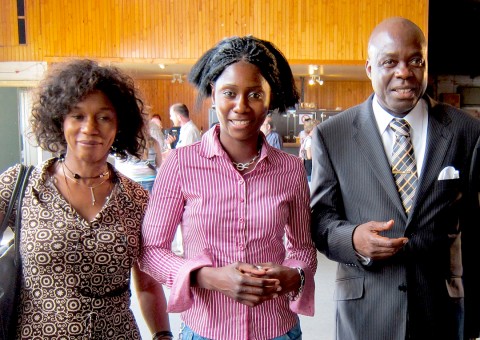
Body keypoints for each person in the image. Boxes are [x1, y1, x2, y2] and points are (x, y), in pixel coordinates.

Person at [310, 17, 480, 340]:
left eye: (416, 60)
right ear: (369, 68)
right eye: (390, 61)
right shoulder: (333, 136)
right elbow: (320, 220)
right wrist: (354, 238)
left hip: (440, 312)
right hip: (366, 314)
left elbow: (474, 230)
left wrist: (473, 322)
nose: (404, 72)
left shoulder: (465, 132)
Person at [140, 36, 317, 340]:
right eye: (229, 93)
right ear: (213, 93)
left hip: (276, 329)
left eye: (255, 94)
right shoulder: (181, 165)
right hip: (206, 330)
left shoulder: (290, 170)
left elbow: (303, 248)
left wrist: (293, 276)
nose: (241, 106)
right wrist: (208, 277)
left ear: (270, 98)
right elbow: (152, 252)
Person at [0, 59, 172, 339]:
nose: (90, 127)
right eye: (78, 116)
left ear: (119, 125)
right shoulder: (20, 185)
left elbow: (148, 284)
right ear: (60, 120)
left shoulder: (136, 199)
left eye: (104, 117)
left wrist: (163, 335)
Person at [299, 119, 319, 183]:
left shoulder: (307, 138)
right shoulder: (310, 140)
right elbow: (309, 156)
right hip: (310, 168)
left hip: (307, 168)